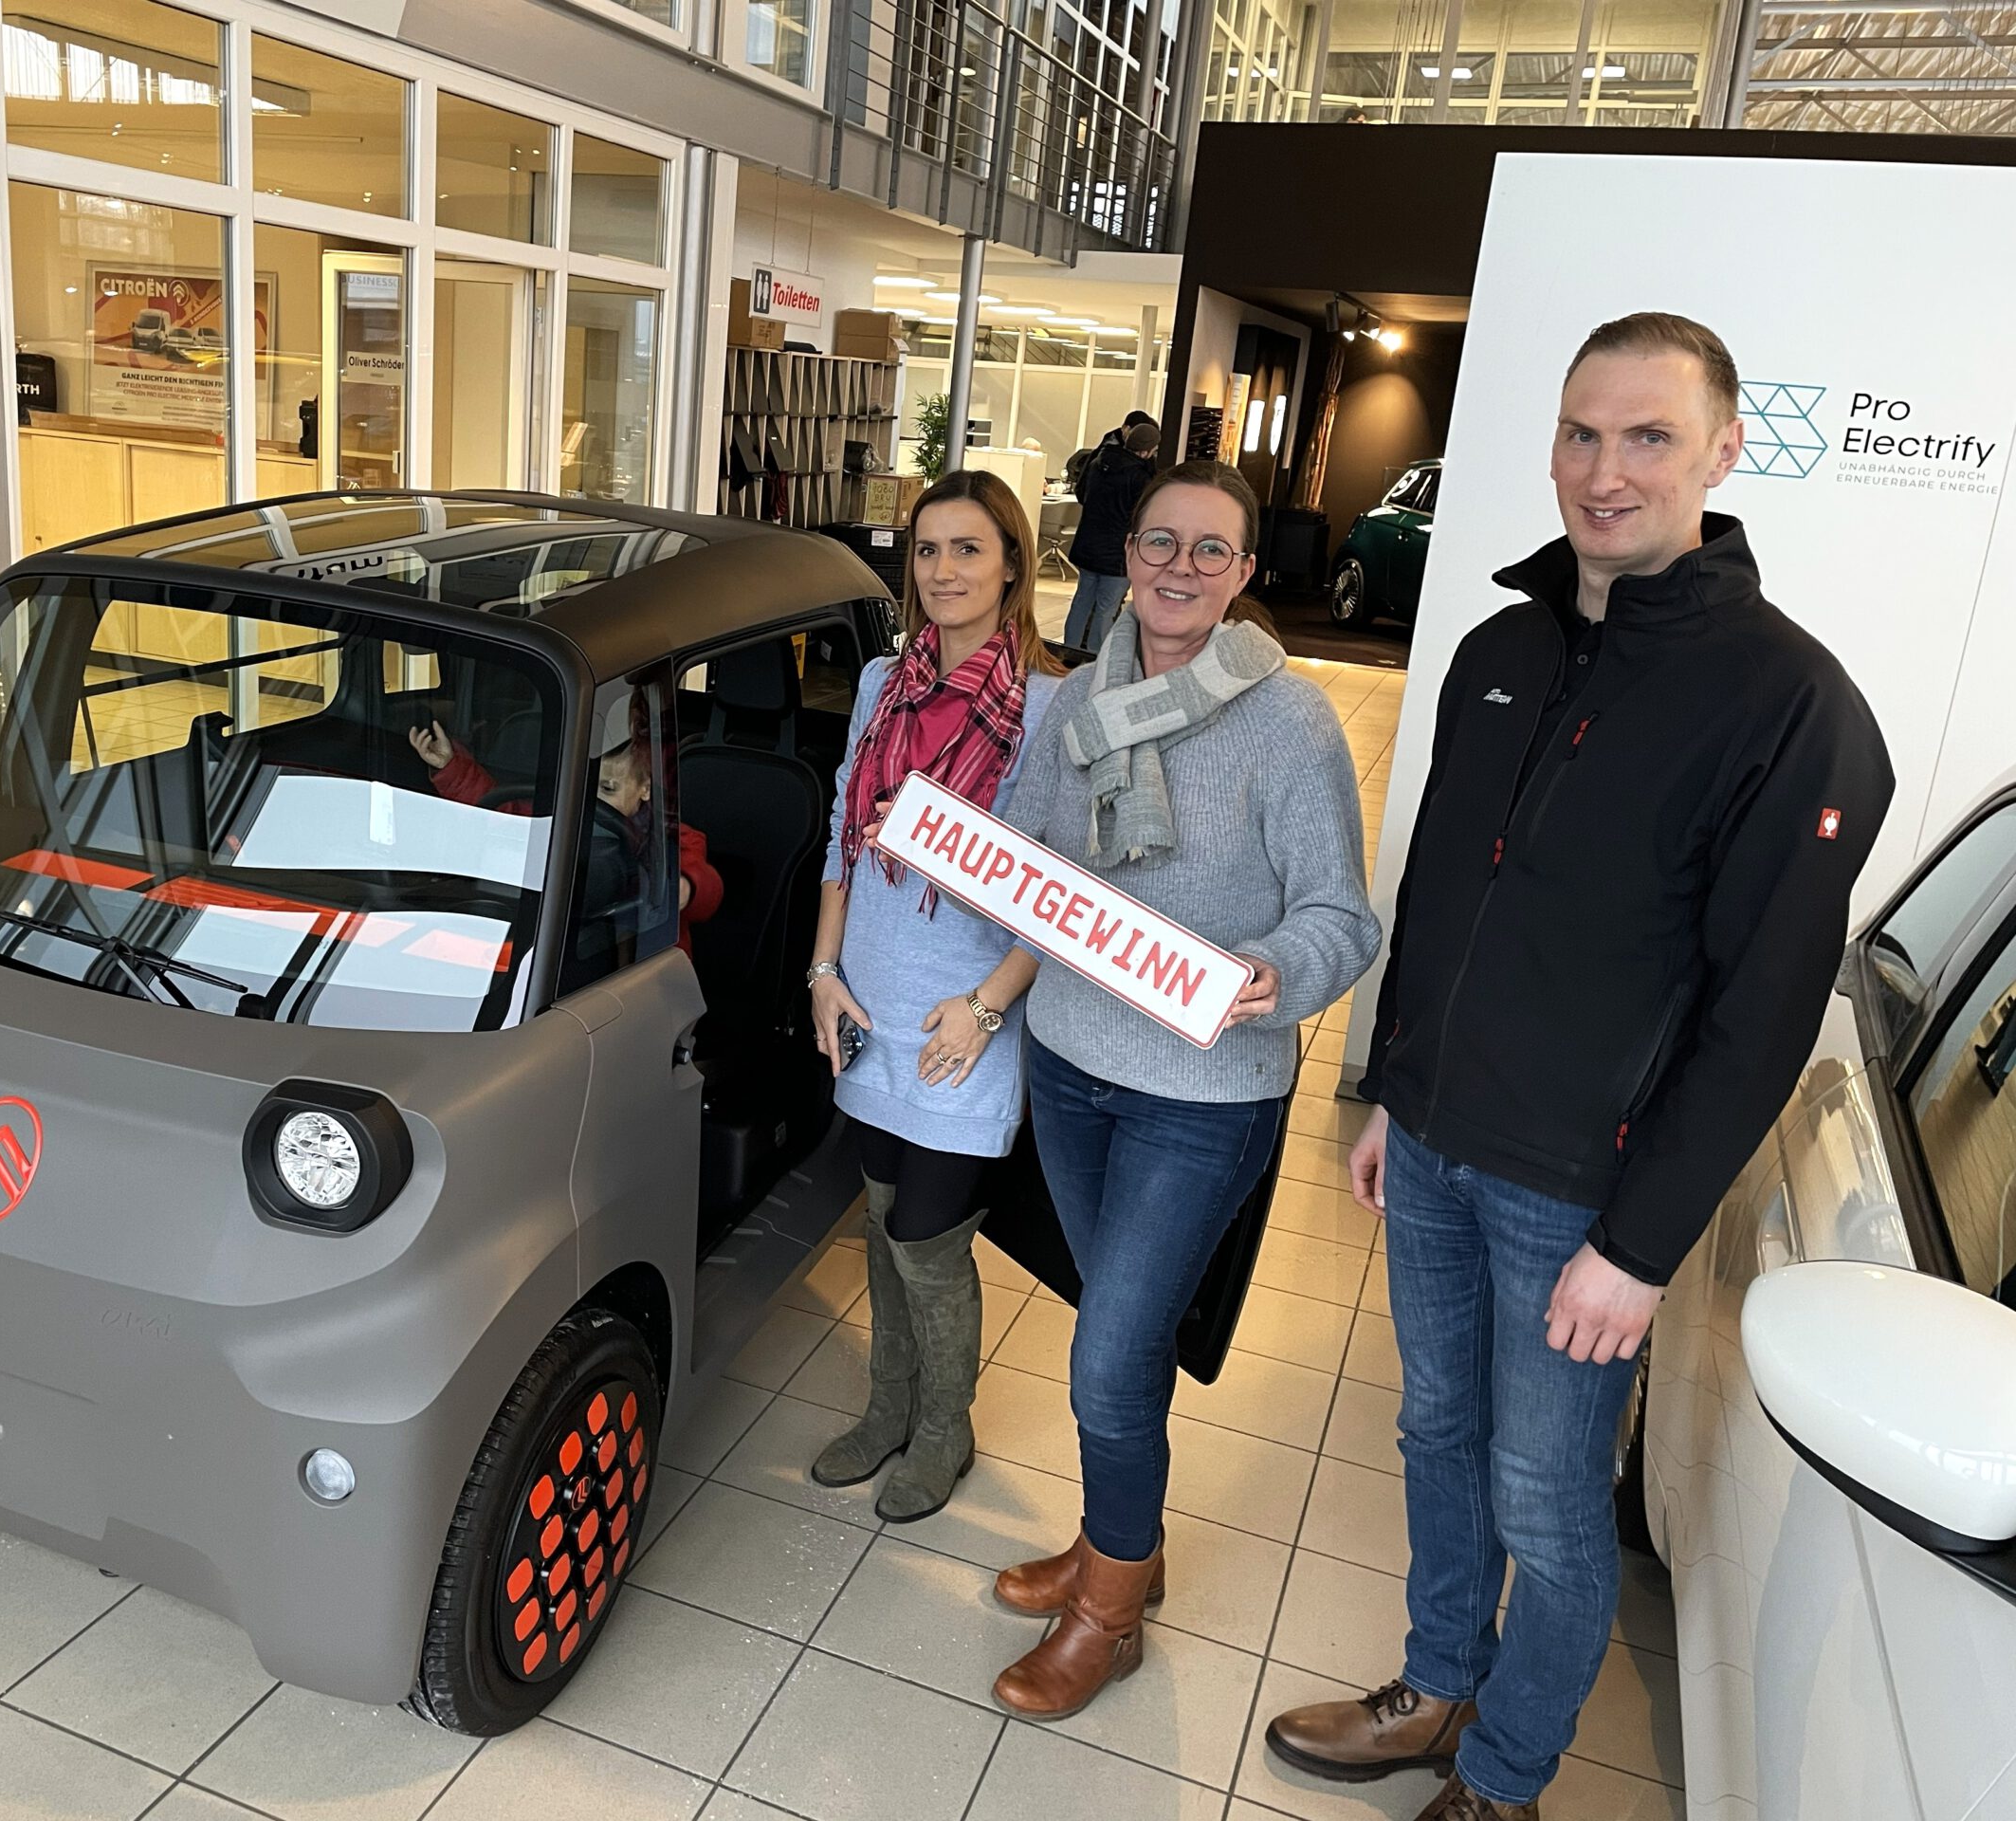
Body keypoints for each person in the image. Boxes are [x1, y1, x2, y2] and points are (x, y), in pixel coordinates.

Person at [1266, 314, 1893, 1821]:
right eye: (1579, 434)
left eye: (1648, 436)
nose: (1604, 472)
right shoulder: (1500, 647)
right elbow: (1440, 899)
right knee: (1432, 1431)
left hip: (1582, 1197)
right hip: (1430, 1144)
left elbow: (1759, 1015)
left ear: (1726, 451)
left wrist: (1639, 1243)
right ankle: (1435, 1683)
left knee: (1549, 1505)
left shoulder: (1791, 708)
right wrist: (1387, 1088)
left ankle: (1506, 1773)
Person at [986, 459, 1380, 1719]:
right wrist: (974, 857)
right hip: (1073, 1060)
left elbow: (1342, 918)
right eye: (1162, 542)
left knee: (1106, 1357)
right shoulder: (1078, 693)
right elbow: (1033, 837)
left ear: (1247, 576)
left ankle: (1110, 1614)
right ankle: (1123, 1547)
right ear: (1124, 550)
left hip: (1203, 1093)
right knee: (1124, 1329)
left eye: (1213, 552)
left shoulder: (1288, 720)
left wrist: (1273, 970)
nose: (1179, 568)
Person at [804, 469, 1066, 1523]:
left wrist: (989, 1005)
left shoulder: (1050, 705)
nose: (944, 570)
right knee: (877, 1214)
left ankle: (941, 1432)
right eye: (926, 550)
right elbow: (842, 838)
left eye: (967, 548)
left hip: (969, 1014)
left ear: (1012, 562)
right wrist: (823, 973)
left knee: (927, 1232)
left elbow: (1060, 889)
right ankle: (886, 1410)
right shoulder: (880, 683)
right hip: (868, 996)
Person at [411, 717, 723, 953]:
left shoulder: (670, 839)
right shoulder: (563, 819)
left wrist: (687, 886)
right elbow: (502, 814)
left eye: (608, 789)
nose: (594, 801)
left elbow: (707, 890)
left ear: (644, 789)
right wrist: (452, 767)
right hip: (574, 949)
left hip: (646, 963)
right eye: (587, 787)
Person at [1064, 421, 1160, 653]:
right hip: (1117, 554)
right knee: (1106, 608)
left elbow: (1083, 494)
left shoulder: (1099, 462)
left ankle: (1068, 652)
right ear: (1146, 451)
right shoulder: (1140, 478)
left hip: (1088, 545)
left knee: (1081, 601)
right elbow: (1142, 517)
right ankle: (1096, 660)